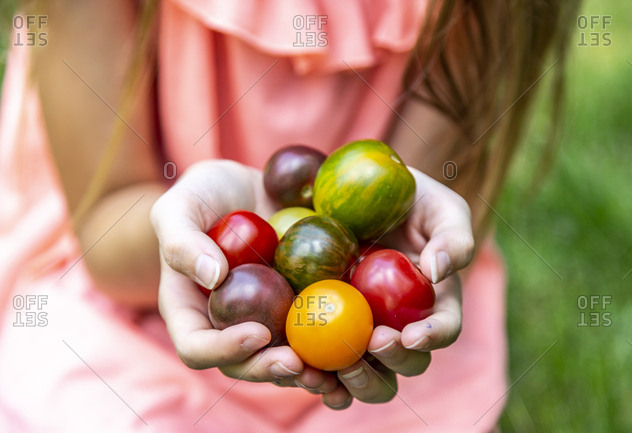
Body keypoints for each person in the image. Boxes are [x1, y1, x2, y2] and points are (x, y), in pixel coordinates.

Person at [0, 0, 577, 431]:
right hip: (129, 305)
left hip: (366, 341)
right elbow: (106, 235)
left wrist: (402, 280)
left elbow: (387, 228)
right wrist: (193, 242)